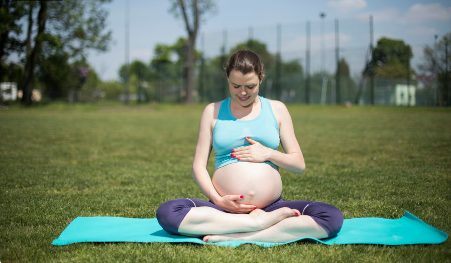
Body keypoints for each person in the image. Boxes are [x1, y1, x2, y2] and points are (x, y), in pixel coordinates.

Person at [156, 50, 343, 243]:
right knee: (168, 212)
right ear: (227, 79)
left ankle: (237, 234)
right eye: (235, 86)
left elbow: (298, 165)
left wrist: (268, 153)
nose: (243, 93)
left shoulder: (277, 109)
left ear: (261, 79)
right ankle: (258, 225)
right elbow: (198, 167)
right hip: (223, 209)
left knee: (331, 217)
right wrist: (217, 199)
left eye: (250, 86)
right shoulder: (212, 111)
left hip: (271, 207)